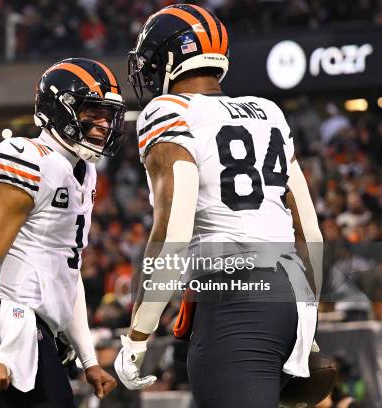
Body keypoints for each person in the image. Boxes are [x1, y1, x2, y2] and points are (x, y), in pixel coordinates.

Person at [114, 4, 323, 408]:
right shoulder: (269, 112)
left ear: (172, 59)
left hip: (235, 295)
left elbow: (174, 234)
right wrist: (307, 323)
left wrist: (138, 335)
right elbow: (310, 231)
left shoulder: (168, 111)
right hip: (290, 293)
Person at [0, 58, 126, 407]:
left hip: (41, 326)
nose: (102, 125)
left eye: (107, 115)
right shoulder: (29, 157)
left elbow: (68, 271)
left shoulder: (84, 171)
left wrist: (89, 359)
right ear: (59, 109)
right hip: (12, 319)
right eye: (92, 113)